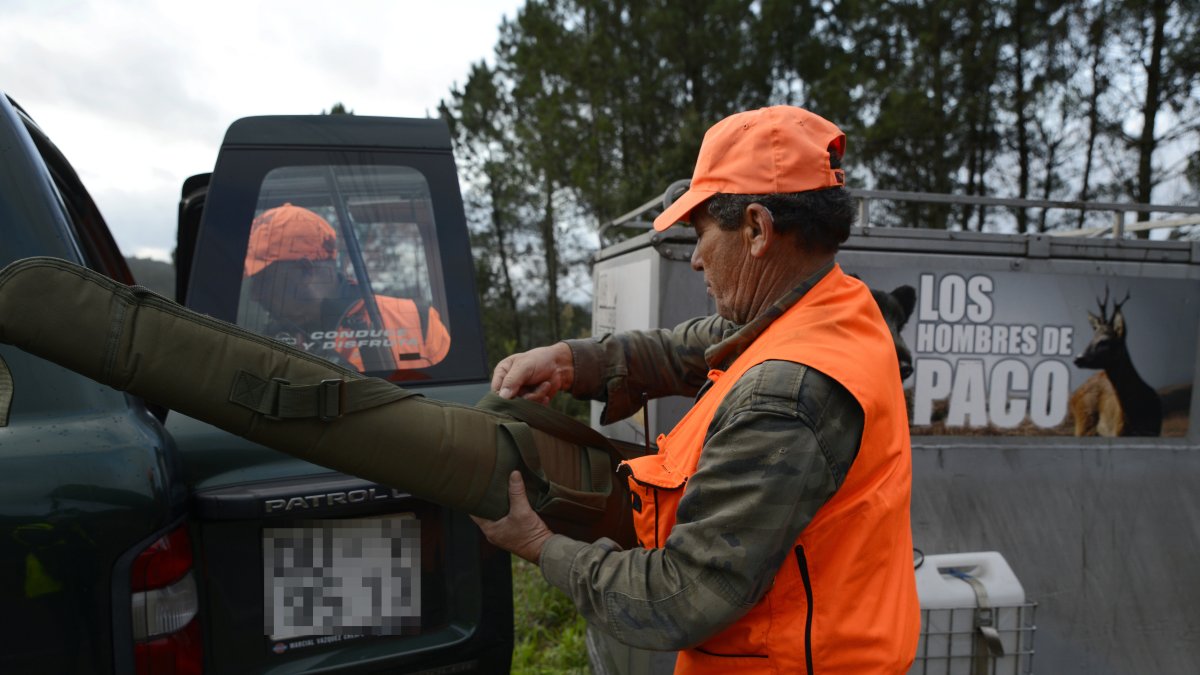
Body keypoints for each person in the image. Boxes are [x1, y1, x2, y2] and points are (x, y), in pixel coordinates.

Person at [474, 106, 920, 673]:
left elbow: (678, 596)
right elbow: (691, 346)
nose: (695, 259)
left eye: (703, 233)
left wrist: (540, 545)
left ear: (757, 229)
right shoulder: (838, 308)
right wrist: (570, 362)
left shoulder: (786, 395)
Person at [242, 203, 450, 372]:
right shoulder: (261, 342)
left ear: (306, 270)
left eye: (264, 280)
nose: (254, 295)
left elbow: (452, 403)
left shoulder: (417, 320)